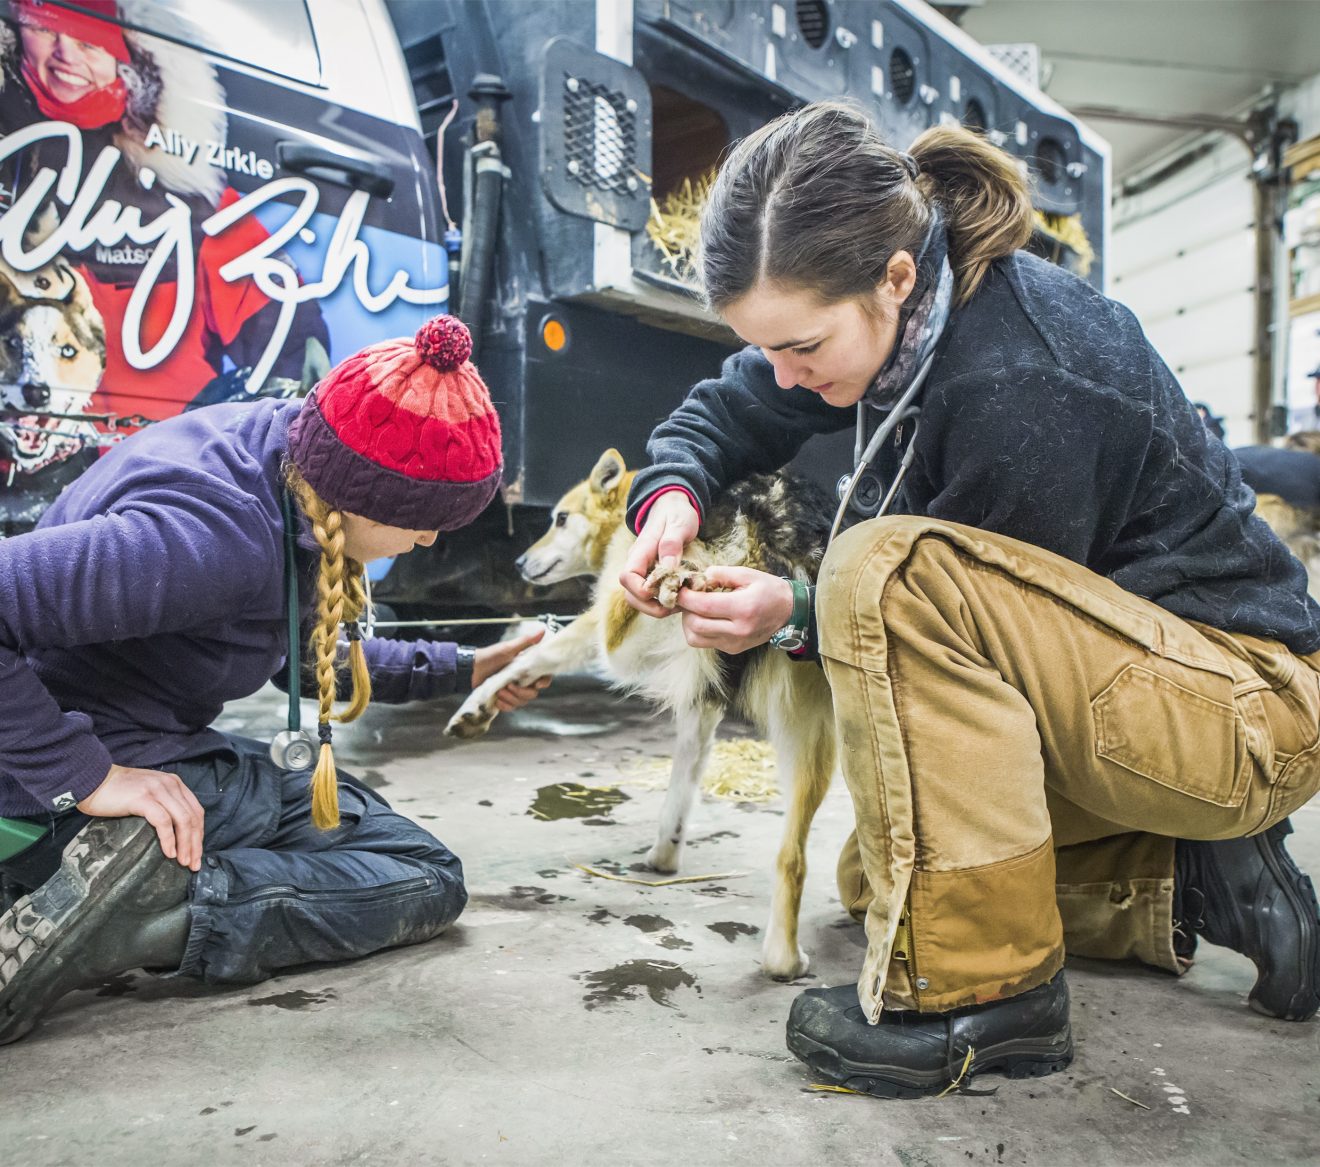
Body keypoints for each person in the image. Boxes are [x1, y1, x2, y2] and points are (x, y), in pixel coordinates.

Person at [618, 102, 1320, 1097]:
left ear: (895, 279)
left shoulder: (1020, 377)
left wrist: (797, 612)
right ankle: (1189, 874)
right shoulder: (881, 310)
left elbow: (955, 635)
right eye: (766, 345)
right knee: (878, 881)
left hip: (1245, 704)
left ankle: (989, 1002)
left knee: (880, 570)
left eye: (800, 348)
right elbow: (734, 405)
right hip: (1135, 687)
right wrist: (671, 501)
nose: (784, 373)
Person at [0, 313, 549, 1045]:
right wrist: (90, 775)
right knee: (421, 873)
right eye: (423, 520)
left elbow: (301, 649)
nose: (427, 539)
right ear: (364, 496)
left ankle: (127, 881)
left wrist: (466, 666)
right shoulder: (210, 541)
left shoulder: (285, 452)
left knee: (345, 839)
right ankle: (137, 909)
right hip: (75, 775)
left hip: (124, 736)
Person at [0, 0, 330, 424]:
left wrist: (221, 444)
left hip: (147, 476)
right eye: (46, 29)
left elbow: (294, 342)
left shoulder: (192, 201)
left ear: (128, 58)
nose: (66, 52)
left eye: (90, 42)